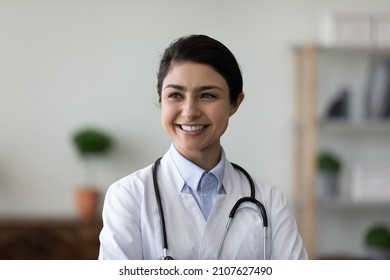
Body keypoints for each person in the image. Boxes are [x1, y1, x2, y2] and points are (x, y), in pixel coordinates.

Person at [98, 34, 308, 260]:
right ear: (161, 99)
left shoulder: (269, 200)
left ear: (235, 103)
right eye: (175, 95)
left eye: (207, 95)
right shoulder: (129, 196)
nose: (189, 111)